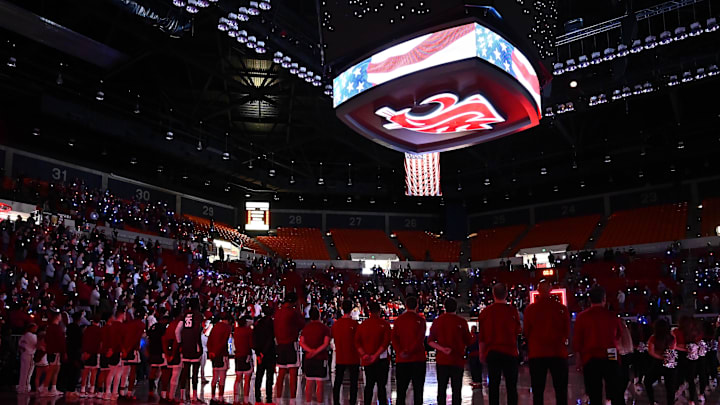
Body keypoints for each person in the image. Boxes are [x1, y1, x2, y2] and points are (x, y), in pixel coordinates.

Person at [573, 286, 623, 405]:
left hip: (590, 356)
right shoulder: (612, 316)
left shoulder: (582, 317)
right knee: (616, 392)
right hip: (610, 354)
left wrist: (579, 360)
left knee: (594, 394)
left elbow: (578, 341)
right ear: (604, 299)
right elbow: (619, 335)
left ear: (589, 299)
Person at [523, 280, 570, 405]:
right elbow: (567, 331)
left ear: (538, 291)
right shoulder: (561, 309)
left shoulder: (530, 310)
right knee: (561, 390)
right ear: (551, 290)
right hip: (558, 353)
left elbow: (526, 332)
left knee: (538, 391)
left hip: (537, 354)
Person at [478, 283, 522, 405]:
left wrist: (481, 353)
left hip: (493, 352)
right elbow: (518, 331)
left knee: (493, 386)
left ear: (493, 294)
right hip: (510, 352)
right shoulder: (512, 311)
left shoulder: (486, 313)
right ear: (506, 294)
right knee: (511, 386)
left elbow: (482, 337)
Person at [429, 297, 472, 405]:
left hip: (442, 360)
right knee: (456, 390)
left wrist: (442, 349)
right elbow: (469, 341)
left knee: (441, 389)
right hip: (457, 361)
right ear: (456, 307)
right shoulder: (461, 322)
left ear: (444, 307)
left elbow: (430, 341)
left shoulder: (437, 321)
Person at [392, 295, 427, 405]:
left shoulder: (398, 321)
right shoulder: (421, 320)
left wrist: (401, 351)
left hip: (402, 360)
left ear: (406, 306)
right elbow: (419, 339)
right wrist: (410, 350)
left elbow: (393, 338)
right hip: (418, 359)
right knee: (418, 390)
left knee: (401, 391)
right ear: (417, 306)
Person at [355, 301, 391, 405]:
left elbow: (357, 342)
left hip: (368, 360)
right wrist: (376, 355)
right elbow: (385, 343)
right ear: (379, 311)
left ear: (369, 311)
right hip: (381, 360)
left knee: (369, 385)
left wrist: (365, 355)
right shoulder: (385, 324)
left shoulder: (362, 325)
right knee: (381, 386)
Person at [274, 292, 305, 400]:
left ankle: (277, 399)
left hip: (280, 344)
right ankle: (292, 400)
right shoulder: (293, 312)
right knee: (293, 373)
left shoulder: (278, 312)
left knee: (281, 372)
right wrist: (298, 310)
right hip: (291, 343)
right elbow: (302, 324)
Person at [299, 307, 331, 403]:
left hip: (309, 358)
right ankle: (320, 402)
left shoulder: (306, 328)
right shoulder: (325, 328)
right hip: (321, 358)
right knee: (320, 384)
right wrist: (316, 352)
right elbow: (326, 344)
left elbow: (301, 342)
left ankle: (308, 402)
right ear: (319, 315)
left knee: (309, 382)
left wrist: (310, 351)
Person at [332, 299, 360, 405]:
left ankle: (336, 402)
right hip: (353, 357)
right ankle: (352, 402)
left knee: (338, 381)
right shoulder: (355, 324)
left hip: (340, 356)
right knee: (353, 383)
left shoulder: (336, 324)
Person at [175, 297, 204, 403]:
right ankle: (194, 397)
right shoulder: (198, 315)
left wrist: (180, 343)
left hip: (185, 346)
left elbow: (177, 330)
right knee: (195, 373)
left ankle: (182, 397)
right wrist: (198, 344)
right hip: (194, 346)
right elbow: (197, 330)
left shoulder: (184, 315)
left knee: (185, 372)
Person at [645, 319, 676, 405]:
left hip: (657, 363)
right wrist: (666, 358)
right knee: (670, 387)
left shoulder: (653, 338)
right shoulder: (671, 337)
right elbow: (672, 349)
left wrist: (660, 357)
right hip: (669, 364)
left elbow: (651, 351)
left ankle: (652, 401)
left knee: (647, 382)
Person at [121, 307, 145, 399]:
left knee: (124, 371)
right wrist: (129, 349)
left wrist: (124, 349)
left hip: (124, 349)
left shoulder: (128, 324)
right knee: (132, 372)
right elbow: (136, 338)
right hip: (133, 350)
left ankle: (121, 391)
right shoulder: (141, 325)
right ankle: (130, 393)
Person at [207, 312, 232, 404]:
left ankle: (213, 398)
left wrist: (211, 352)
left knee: (214, 376)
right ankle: (221, 398)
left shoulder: (216, 326)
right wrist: (217, 352)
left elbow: (209, 340)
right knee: (222, 377)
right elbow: (224, 342)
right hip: (222, 354)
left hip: (213, 354)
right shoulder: (228, 328)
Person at [253, 305, 276, 404]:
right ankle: (269, 398)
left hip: (260, 352)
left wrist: (259, 352)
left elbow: (255, 338)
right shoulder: (272, 323)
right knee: (269, 376)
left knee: (259, 374)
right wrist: (263, 352)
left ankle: (257, 397)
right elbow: (270, 339)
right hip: (269, 353)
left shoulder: (258, 323)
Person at [104, 309, 127, 401]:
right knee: (117, 373)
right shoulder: (121, 326)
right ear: (122, 315)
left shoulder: (111, 326)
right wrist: (121, 350)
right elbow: (120, 339)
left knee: (111, 372)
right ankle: (114, 393)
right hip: (117, 351)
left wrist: (109, 349)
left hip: (111, 350)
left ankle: (107, 392)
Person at [147, 311, 169, 400]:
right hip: (161, 352)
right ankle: (163, 393)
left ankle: (150, 391)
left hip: (152, 351)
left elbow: (148, 338)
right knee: (164, 371)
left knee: (153, 371)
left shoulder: (153, 327)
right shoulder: (163, 328)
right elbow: (164, 339)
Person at [78, 316, 102, 398]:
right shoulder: (99, 330)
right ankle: (92, 390)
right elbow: (99, 343)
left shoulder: (87, 330)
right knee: (94, 372)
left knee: (85, 371)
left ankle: (82, 389)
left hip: (87, 352)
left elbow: (83, 340)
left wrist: (84, 352)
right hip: (95, 352)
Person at [163, 308, 184, 401]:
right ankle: (171, 396)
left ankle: (165, 394)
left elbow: (164, 339)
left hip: (168, 350)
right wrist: (172, 354)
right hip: (175, 351)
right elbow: (177, 339)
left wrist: (166, 353)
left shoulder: (169, 325)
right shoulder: (179, 325)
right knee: (175, 374)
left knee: (168, 374)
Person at [45, 311, 66, 396]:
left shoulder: (50, 327)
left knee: (56, 370)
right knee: (52, 370)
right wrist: (63, 351)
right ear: (57, 317)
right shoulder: (56, 328)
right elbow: (60, 341)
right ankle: (45, 388)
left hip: (54, 351)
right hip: (55, 351)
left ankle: (53, 388)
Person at [234, 315, 254, 403]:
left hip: (238, 355)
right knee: (247, 379)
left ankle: (236, 400)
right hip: (246, 356)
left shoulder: (236, 331)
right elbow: (251, 344)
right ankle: (246, 401)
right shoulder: (249, 331)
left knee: (238, 378)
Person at [18, 323, 38, 394]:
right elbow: (37, 345)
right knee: (28, 373)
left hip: (23, 355)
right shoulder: (33, 336)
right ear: (31, 328)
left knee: (23, 372)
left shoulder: (24, 335)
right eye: (35, 327)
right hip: (29, 355)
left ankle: (21, 387)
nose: (36, 329)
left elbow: (19, 345)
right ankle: (26, 388)